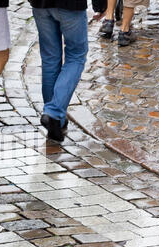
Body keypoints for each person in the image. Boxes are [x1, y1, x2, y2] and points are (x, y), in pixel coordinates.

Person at [30, 0, 106, 142]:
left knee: (50, 59)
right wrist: (100, 5)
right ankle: (54, 112)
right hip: (70, 6)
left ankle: (54, 119)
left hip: (40, 4)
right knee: (76, 56)